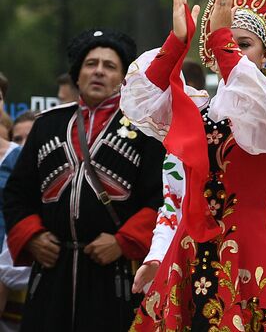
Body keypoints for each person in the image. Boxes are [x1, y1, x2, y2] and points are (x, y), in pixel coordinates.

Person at [124, 0, 266, 332]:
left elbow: (259, 116)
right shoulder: (195, 110)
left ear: (265, 54)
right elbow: (143, 100)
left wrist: (223, 41)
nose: (236, 52)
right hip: (188, 256)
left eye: (245, 45)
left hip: (248, 256)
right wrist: (176, 44)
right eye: (228, 43)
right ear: (210, 55)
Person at [1, 30, 164, 332]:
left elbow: (161, 197)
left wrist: (122, 242)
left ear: (123, 77)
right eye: (91, 64)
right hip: (52, 269)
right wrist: (33, 237)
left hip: (113, 271)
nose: (99, 70)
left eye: (110, 65)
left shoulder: (145, 130)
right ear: (77, 74)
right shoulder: (47, 124)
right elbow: (16, 194)